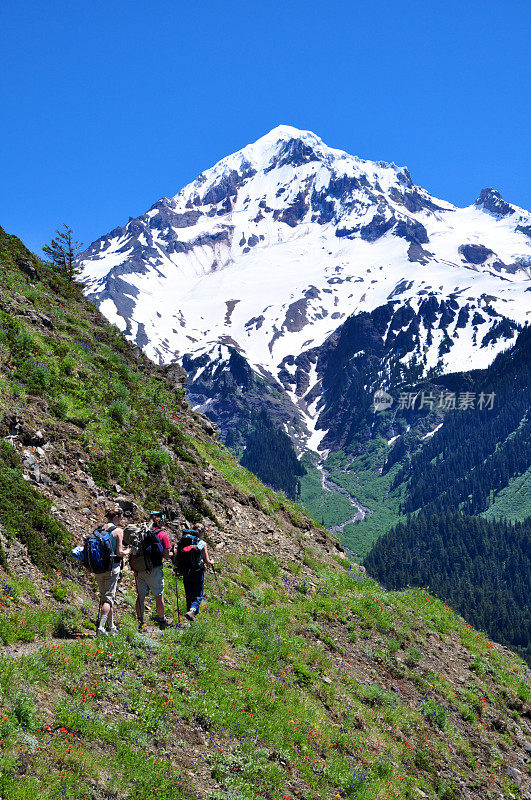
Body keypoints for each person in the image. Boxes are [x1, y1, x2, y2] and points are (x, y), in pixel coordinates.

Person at [132, 513, 173, 631]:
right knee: (158, 596)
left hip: (139, 568)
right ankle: (162, 620)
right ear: (160, 522)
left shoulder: (141, 532)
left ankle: (140, 623)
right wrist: (172, 553)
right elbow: (165, 555)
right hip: (154, 569)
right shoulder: (162, 534)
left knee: (140, 596)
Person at [95, 507, 130, 636]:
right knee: (108, 599)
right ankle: (101, 628)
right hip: (111, 568)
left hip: (98, 568)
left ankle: (111, 625)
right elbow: (119, 552)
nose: (121, 520)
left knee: (105, 597)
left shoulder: (99, 529)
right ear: (115, 517)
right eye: (120, 517)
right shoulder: (118, 531)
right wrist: (128, 551)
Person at [178, 522, 213, 622]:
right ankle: (192, 611)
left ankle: (190, 615)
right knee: (198, 594)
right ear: (201, 532)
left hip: (185, 571)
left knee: (189, 594)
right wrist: (212, 562)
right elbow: (207, 560)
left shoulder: (184, 540)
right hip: (197, 571)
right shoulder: (201, 543)